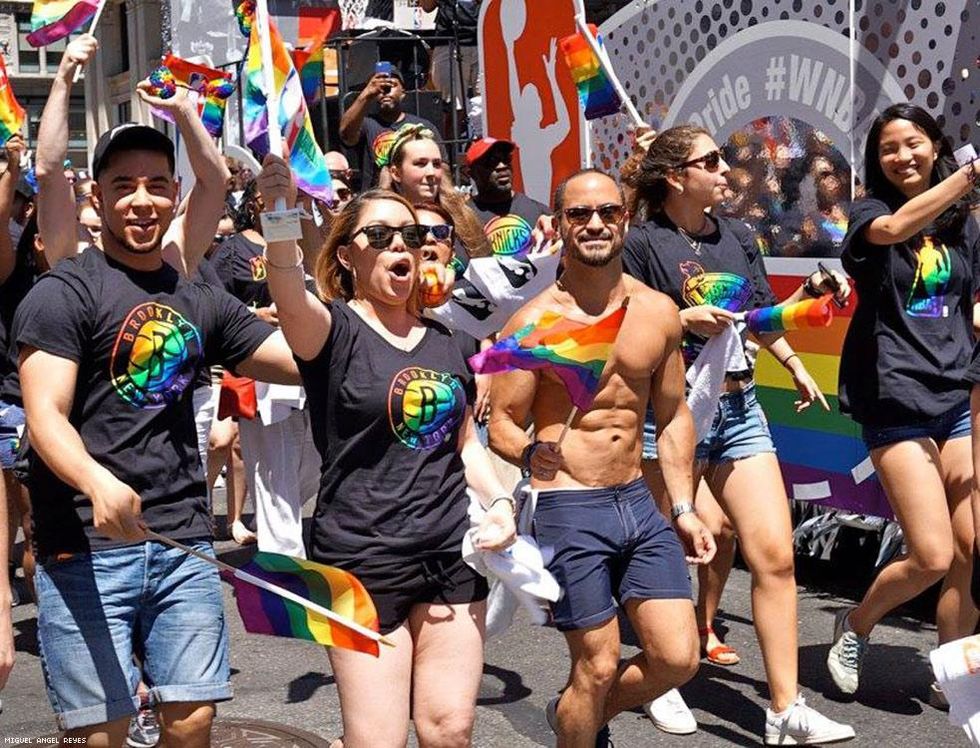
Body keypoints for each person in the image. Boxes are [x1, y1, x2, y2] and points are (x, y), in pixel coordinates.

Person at [16, 35, 301, 747]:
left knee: (193, 718)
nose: (141, 200)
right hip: (83, 542)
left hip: (180, 536)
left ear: (173, 196)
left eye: (156, 185)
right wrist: (95, 482)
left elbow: (305, 358)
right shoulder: (66, 286)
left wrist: (187, 114)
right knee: (102, 735)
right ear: (98, 197)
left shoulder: (190, 285)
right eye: (123, 185)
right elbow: (44, 414)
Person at [257, 150, 517, 747]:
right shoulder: (331, 331)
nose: (400, 244)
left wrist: (500, 504)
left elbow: (464, 443)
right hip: (361, 561)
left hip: (449, 554)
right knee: (377, 739)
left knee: (450, 728)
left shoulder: (450, 340)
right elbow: (289, 291)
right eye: (379, 235)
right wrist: (279, 213)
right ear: (347, 256)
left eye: (412, 235)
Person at [623, 125, 855, 744]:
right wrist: (679, 317)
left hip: (739, 407)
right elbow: (623, 326)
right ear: (676, 178)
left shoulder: (737, 236)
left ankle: (784, 709)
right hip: (670, 413)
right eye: (711, 161)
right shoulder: (642, 243)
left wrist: (796, 361)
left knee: (775, 555)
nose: (725, 170)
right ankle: (662, 678)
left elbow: (755, 317)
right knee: (669, 555)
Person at [488, 168, 715, 746]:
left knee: (678, 658)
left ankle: (575, 719)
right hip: (568, 505)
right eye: (579, 214)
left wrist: (684, 506)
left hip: (637, 501)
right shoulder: (532, 323)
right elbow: (501, 424)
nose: (595, 224)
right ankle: (581, 723)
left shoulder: (658, 311)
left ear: (625, 220)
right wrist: (529, 452)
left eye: (608, 212)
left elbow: (674, 417)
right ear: (559, 224)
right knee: (597, 664)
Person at [828, 104, 980, 708]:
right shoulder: (870, 213)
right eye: (889, 147)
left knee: (971, 546)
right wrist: (968, 177)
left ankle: (953, 673)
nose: (902, 156)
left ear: (934, 144)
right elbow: (894, 231)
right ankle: (855, 624)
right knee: (933, 554)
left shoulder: (965, 224)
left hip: (955, 395)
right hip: (894, 397)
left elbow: (971, 297)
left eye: (913, 142)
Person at [211, 179, 321, 558]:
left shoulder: (297, 239)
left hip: (307, 362)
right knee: (275, 463)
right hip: (262, 368)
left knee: (314, 460)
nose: (276, 201)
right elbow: (214, 305)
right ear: (253, 202)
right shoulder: (232, 251)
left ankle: (275, 516)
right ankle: (283, 557)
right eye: (269, 196)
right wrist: (252, 316)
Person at [383, 124, 488, 263]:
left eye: (436, 164)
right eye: (420, 164)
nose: (431, 173)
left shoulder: (464, 217)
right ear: (396, 173)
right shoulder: (385, 225)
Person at [339, 65, 443, 191]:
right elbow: (346, 135)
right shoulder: (366, 125)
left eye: (391, 85)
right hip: (377, 197)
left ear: (403, 92)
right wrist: (366, 94)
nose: (385, 91)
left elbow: (443, 166)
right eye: (380, 87)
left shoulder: (423, 126)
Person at [465, 137, 551, 254]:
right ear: (471, 174)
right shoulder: (463, 219)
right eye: (491, 161)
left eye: (506, 159)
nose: (502, 166)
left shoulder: (540, 213)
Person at [420, 0, 481, 112]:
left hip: (485, 41)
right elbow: (427, 6)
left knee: (488, 103)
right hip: (449, 43)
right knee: (453, 107)